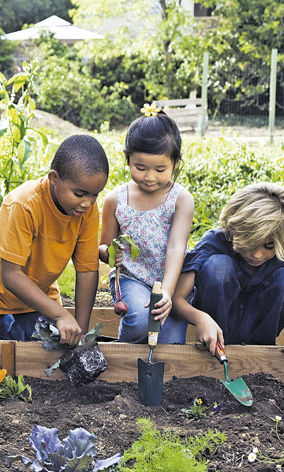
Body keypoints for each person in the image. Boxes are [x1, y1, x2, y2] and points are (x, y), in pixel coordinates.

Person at [0, 134, 109, 346]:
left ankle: (4, 326)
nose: (87, 203)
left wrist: (80, 333)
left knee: (55, 347)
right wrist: (61, 315)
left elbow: (87, 270)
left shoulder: (85, 209)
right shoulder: (23, 204)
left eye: (95, 195)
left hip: (36, 294)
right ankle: (0, 322)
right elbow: (11, 275)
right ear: (54, 179)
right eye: (80, 193)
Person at [171, 182, 284, 370]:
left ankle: (260, 353)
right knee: (217, 266)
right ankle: (217, 348)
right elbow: (176, 299)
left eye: (269, 246)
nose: (257, 254)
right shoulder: (216, 241)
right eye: (250, 244)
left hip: (263, 346)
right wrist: (199, 318)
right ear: (234, 231)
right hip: (214, 344)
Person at [98, 105, 194, 343]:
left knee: (170, 345)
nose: (149, 177)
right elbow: (102, 247)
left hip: (170, 279)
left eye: (160, 169)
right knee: (140, 321)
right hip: (133, 277)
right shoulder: (116, 199)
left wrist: (168, 293)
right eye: (140, 168)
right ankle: (123, 362)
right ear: (127, 157)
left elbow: (176, 247)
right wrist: (110, 254)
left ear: (175, 162)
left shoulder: (180, 199)